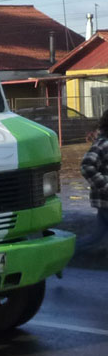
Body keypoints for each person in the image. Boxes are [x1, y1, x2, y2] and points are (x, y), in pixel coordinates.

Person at [79, 109, 108, 255]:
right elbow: (86, 166)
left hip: (104, 201)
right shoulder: (103, 144)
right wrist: (105, 185)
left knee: (96, 237)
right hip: (105, 199)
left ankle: (66, 254)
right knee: (96, 237)